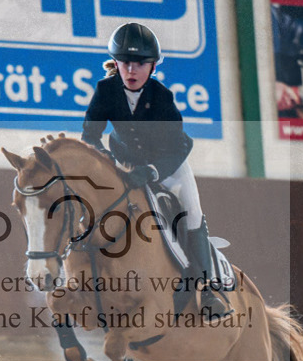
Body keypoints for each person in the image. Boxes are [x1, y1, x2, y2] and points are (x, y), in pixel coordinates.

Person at [81, 22, 228, 316]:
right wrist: (105, 160)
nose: (131, 70)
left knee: (191, 213)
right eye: (125, 63)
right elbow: (90, 136)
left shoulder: (162, 97)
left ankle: (207, 290)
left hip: (168, 166)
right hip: (125, 162)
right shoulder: (105, 90)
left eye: (140, 63)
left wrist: (152, 171)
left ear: (153, 66)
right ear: (116, 63)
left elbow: (179, 147)